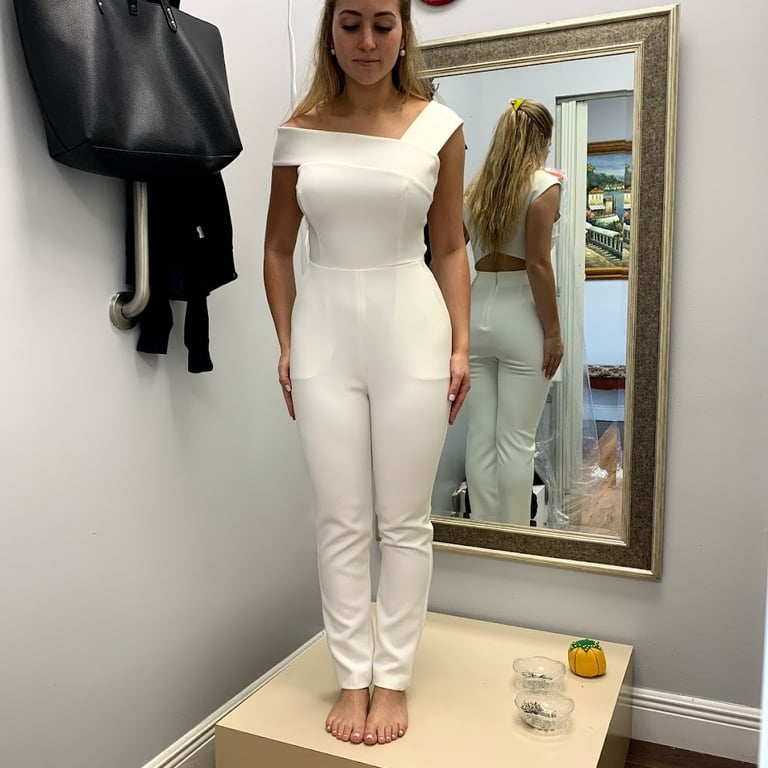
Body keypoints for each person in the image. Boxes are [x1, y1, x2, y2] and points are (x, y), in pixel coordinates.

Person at [263, 0, 470, 748]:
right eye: (350, 23)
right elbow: (277, 248)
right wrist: (287, 341)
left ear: (404, 31)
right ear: (330, 32)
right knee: (341, 518)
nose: (368, 40)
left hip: (413, 332)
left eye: (384, 23)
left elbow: (450, 246)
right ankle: (353, 676)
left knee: (405, 520)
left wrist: (460, 346)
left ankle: (394, 678)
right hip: (323, 337)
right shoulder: (298, 134)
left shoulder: (438, 128)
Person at [463, 98, 564, 525]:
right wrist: (553, 332)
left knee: (481, 437)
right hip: (521, 315)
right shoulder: (544, 186)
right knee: (516, 441)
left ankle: (484, 535)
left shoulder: (474, 191)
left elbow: (452, 252)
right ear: (540, 139)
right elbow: (538, 264)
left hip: (477, 311)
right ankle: (515, 539)